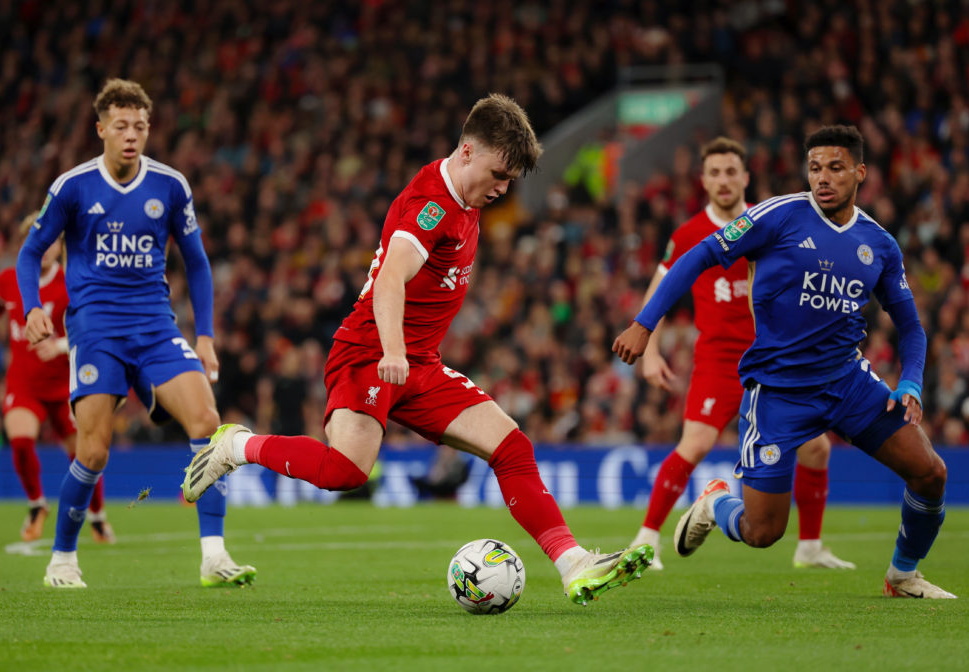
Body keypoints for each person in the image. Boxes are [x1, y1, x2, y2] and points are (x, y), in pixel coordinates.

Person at [183, 94, 652, 605]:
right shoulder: (430, 205)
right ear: (467, 151)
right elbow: (389, 279)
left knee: (511, 446)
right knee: (346, 471)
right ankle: (237, 446)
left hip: (418, 363)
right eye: (499, 174)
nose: (502, 188)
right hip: (370, 353)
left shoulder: (469, 201)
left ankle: (573, 564)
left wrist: (408, 356)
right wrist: (392, 351)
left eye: (510, 181)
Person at [613, 125, 954, 599]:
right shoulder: (777, 216)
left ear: (860, 172)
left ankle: (902, 574)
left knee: (931, 471)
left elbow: (912, 327)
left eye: (835, 167)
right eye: (815, 168)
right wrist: (645, 324)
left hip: (848, 383)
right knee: (762, 532)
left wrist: (911, 382)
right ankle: (715, 503)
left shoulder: (879, 244)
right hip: (778, 392)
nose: (823, 178)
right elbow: (699, 257)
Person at [17, 78, 254, 588]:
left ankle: (213, 555)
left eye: (140, 126)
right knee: (94, 451)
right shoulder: (72, 186)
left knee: (207, 421)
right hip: (95, 328)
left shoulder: (170, 186)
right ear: (100, 128)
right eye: (121, 126)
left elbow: (197, 262)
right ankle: (62, 558)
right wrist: (33, 307)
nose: (131, 135)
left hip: (154, 326)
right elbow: (30, 252)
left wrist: (206, 335)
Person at [632, 137, 853, 571]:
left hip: (774, 361)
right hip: (717, 361)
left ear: (746, 176)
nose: (724, 180)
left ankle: (810, 547)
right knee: (695, 442)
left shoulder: (770, 221)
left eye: (731, 171)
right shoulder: (688, 234)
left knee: (818, 450)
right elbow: (659, 289)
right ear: (703, 181)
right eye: (714, 173)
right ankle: (646, 540)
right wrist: (650, 352)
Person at [0, 212, 114, 544]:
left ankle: (98, 516)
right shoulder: (8, 280)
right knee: (19, 440)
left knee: (85, 454)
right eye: (39, 241)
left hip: (67, 385)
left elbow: (94, 329)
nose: (46, 247)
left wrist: (60, 346)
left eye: (52, 241)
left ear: (61, 246)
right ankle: (36, 506)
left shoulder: (74, 282)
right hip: (25, 383)